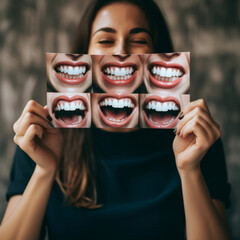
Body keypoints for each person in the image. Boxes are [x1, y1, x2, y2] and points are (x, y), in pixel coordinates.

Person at [0, 0, 231, 239]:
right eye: (105, 40)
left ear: (159, 56)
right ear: (83, 54)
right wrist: (44, 170)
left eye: (140, 41)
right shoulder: (41, 139)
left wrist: (190, 170)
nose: (121, 51)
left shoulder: (195, 143)